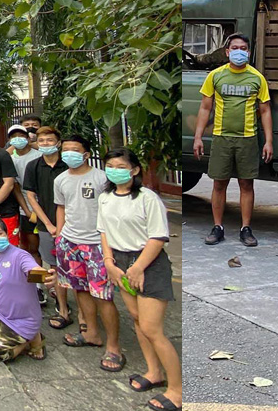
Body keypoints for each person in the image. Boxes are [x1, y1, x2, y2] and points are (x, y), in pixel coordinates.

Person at [96, 149, 180, 409]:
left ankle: (176, 391)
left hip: (148, 264)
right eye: (110, 166)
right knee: (137, 319)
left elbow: (158, 236)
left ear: (134, 170)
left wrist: (139, 267)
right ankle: (154, 372)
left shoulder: (147, 198)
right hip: (119, 263)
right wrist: (109, 263)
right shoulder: (105, 197)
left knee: (152, 328)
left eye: (121, 166)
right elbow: (104, 231)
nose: (114, 170)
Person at [194, 34, 272, 247]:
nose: (239, 51)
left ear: (249, 52)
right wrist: (198, 137)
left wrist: (269, 141)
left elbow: (265, 111)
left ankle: (246, 229)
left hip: (248, 138)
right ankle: (217, 227)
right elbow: (205, 107)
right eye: (235, 48)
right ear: (227, 52)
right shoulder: (215, 76)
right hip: (221, 137)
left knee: (246, 183)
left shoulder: (257, 78)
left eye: (243, 48)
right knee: (219, 183)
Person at [51, 137, 117, 354]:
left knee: (103, 295)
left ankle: (114, 347)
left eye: (75, 150)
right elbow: (61, 208)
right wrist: (60, 236)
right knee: (80, 290)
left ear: (86, 154)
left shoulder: (102, 178)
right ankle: (92, 333)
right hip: (70, 242)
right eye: (65, 150)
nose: (69, 153)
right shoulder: (60, 180)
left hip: (97, 244)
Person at [0, 218, 50, 362]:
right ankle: (2, 326)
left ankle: (32, 339)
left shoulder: (20, 255)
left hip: (21, 317)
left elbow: (34, 270)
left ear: (7, 234)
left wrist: (46, 276)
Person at [22, 127, 72, 324]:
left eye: (49, 140)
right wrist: (48, 223)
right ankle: (61, 306)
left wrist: (62, 225)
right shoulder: (33, 166)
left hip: (71, 225)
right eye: (41, 141)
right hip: (45, 224)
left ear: (58, 143)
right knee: (51, 265)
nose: (45, 144)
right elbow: (31, 196)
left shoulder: (68, 165)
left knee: (72, 267)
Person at [5, 124, 43, 256]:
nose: (17, 139)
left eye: (21, 136)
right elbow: (16, 188)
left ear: (28, 138)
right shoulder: (10, 160)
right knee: (28, 246)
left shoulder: (39, 156)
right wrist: (26, 210)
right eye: (14, 137)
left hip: (42, 204)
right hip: (25, 207)